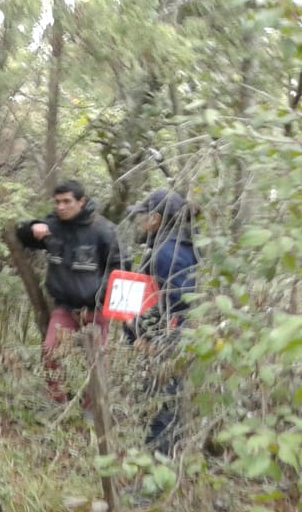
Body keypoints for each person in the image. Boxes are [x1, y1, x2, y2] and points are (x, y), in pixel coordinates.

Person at [16, 180, 128, 403]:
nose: (61, 207)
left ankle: (92, 408)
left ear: (82, 201)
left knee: (96, 362)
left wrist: (100, 297)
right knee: (50, 353)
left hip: (96, 309)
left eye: (67, 201)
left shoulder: (103, 230)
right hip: (65, 307)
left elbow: (121, 267)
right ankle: (59, 403)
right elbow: (24, 236)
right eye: (57, 202)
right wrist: (32, 227)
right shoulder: (53, 226)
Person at [126, 188, 200, 457]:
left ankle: (158, 477)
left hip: (166, 342)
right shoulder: (175, 246)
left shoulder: (166, 253)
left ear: (156, 219)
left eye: (142, 216)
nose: (139, 222)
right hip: (169, 338)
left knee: (162, 405)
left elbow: (177, 302)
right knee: (163, 404)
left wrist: (151, 337)